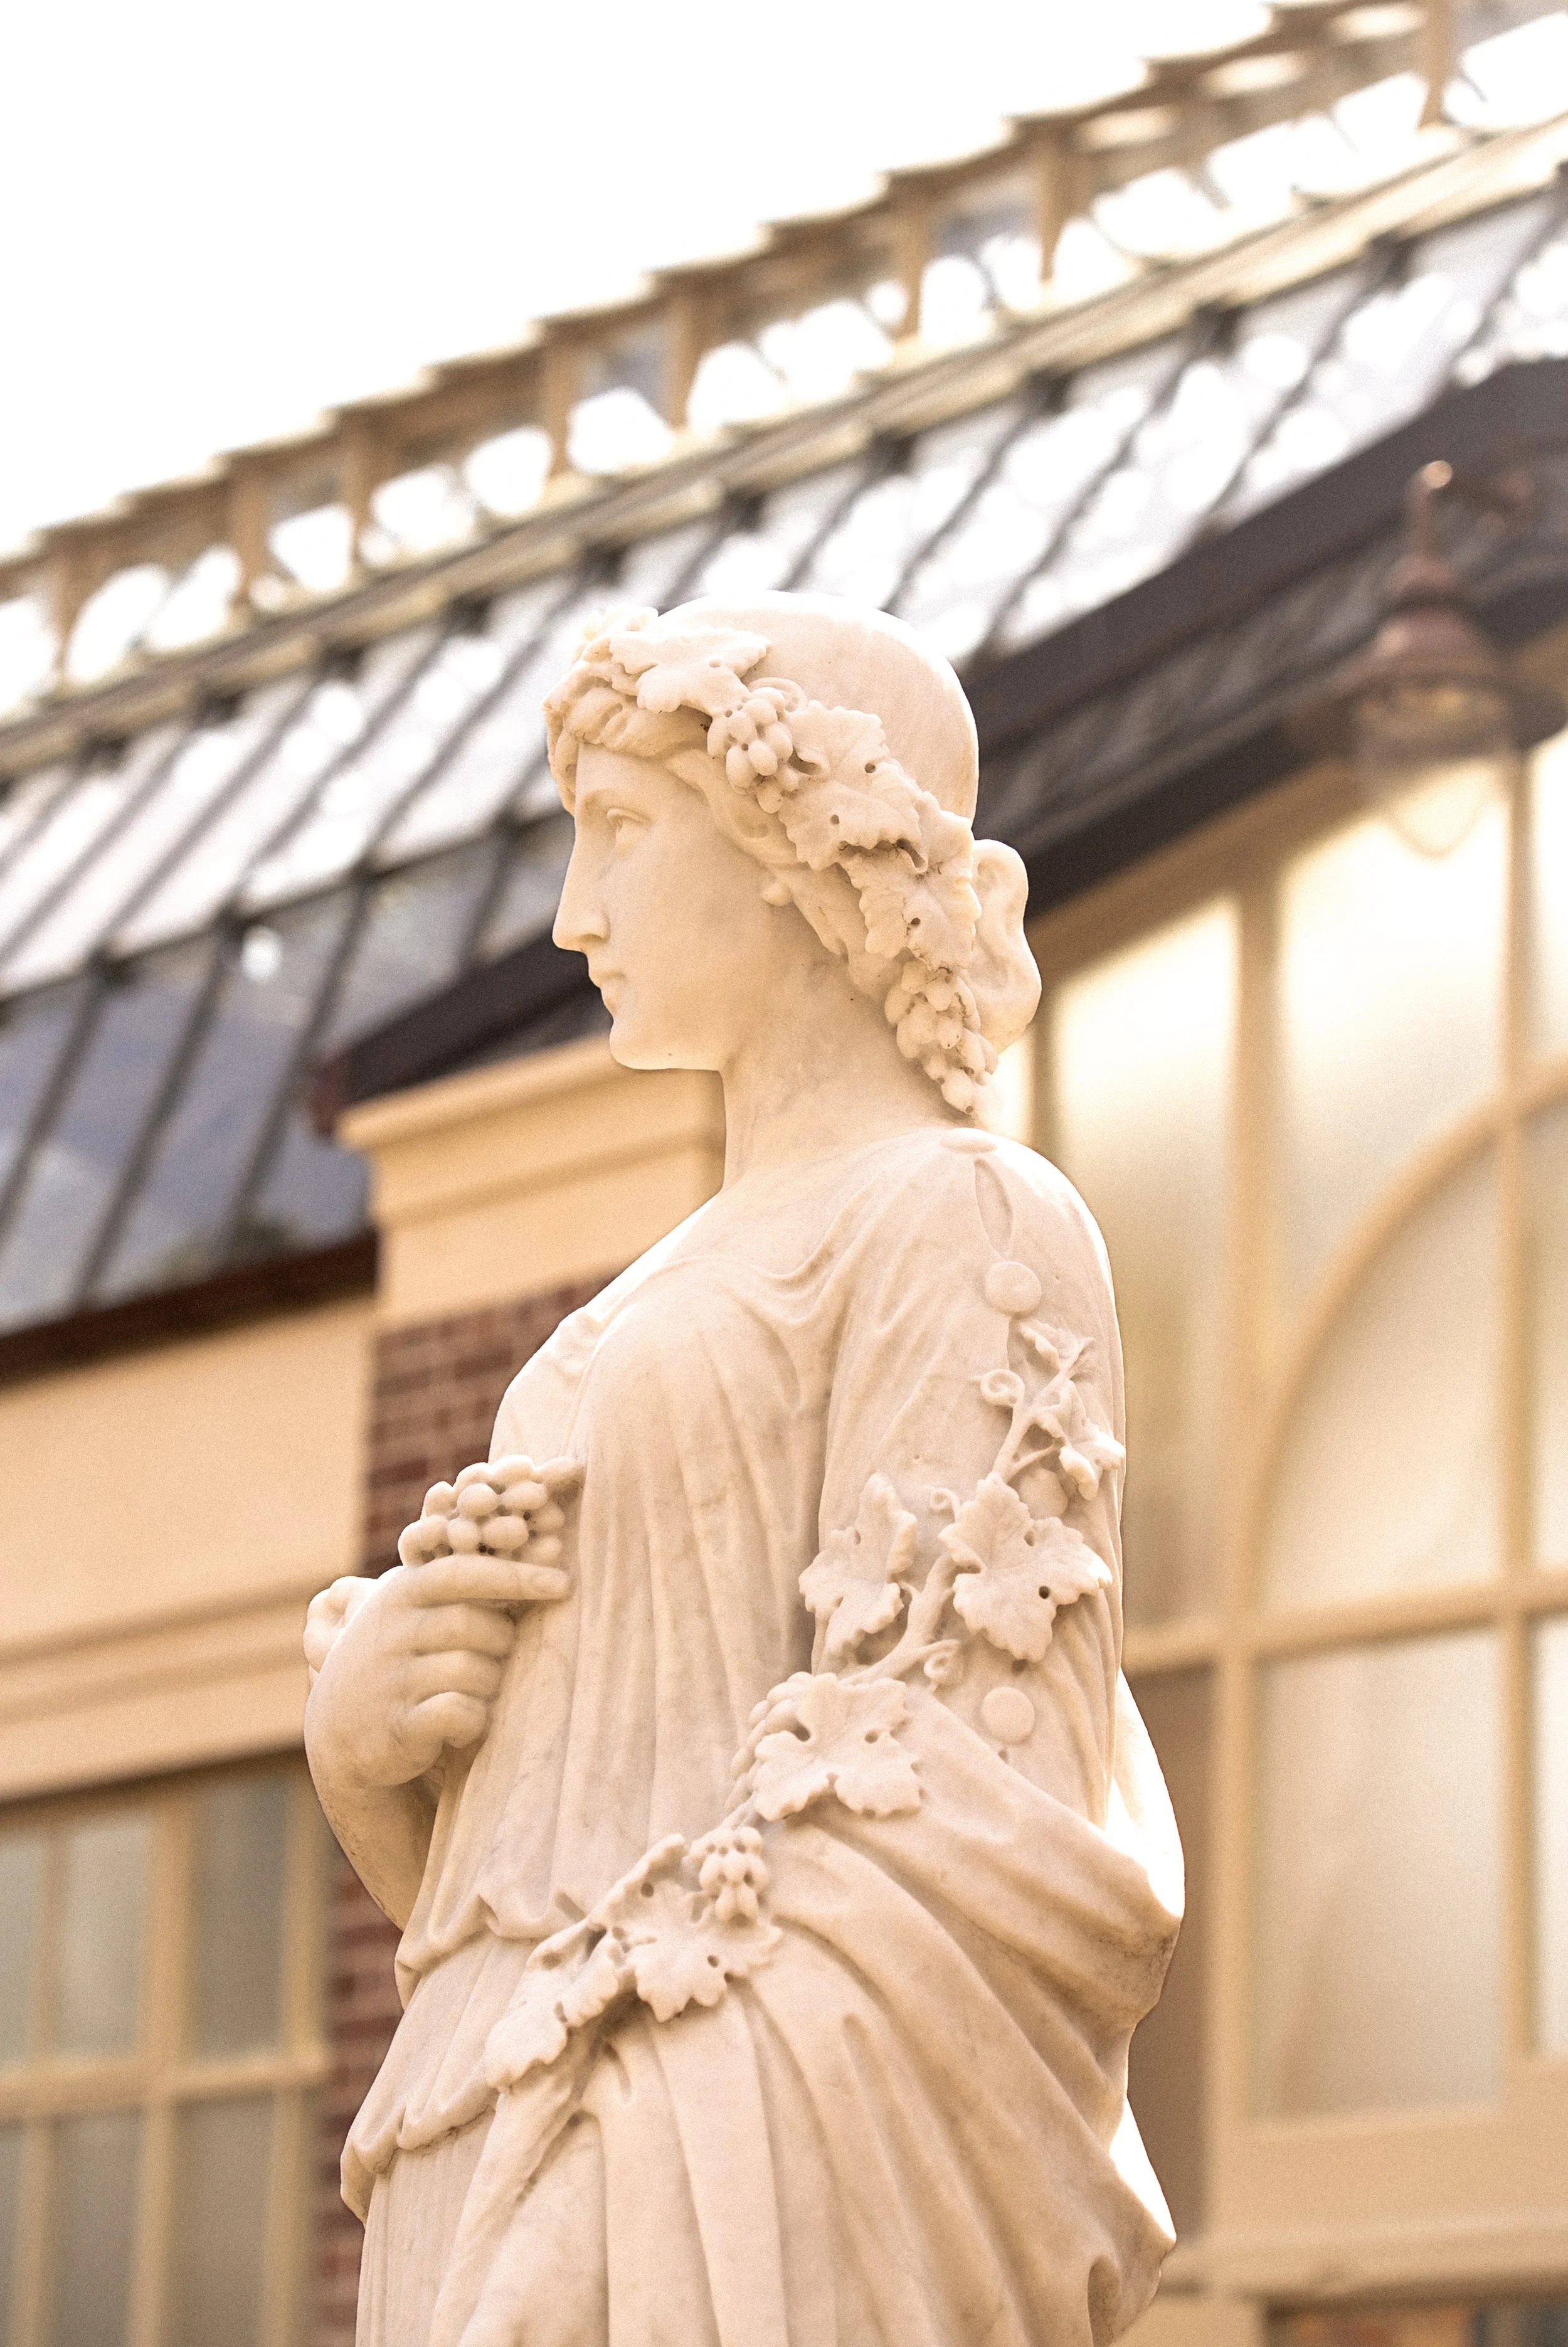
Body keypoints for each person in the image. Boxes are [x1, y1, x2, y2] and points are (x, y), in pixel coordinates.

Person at [304, 593, 1182, 2347]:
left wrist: (610, 2194)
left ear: (793, 849)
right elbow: (543, 1820)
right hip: (476, 2098)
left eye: (622, 831)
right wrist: (367, 1745)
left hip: (683, 2153)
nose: (575, 912)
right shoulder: (631, 1302)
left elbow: (952, 1789)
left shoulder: (954, 1209)